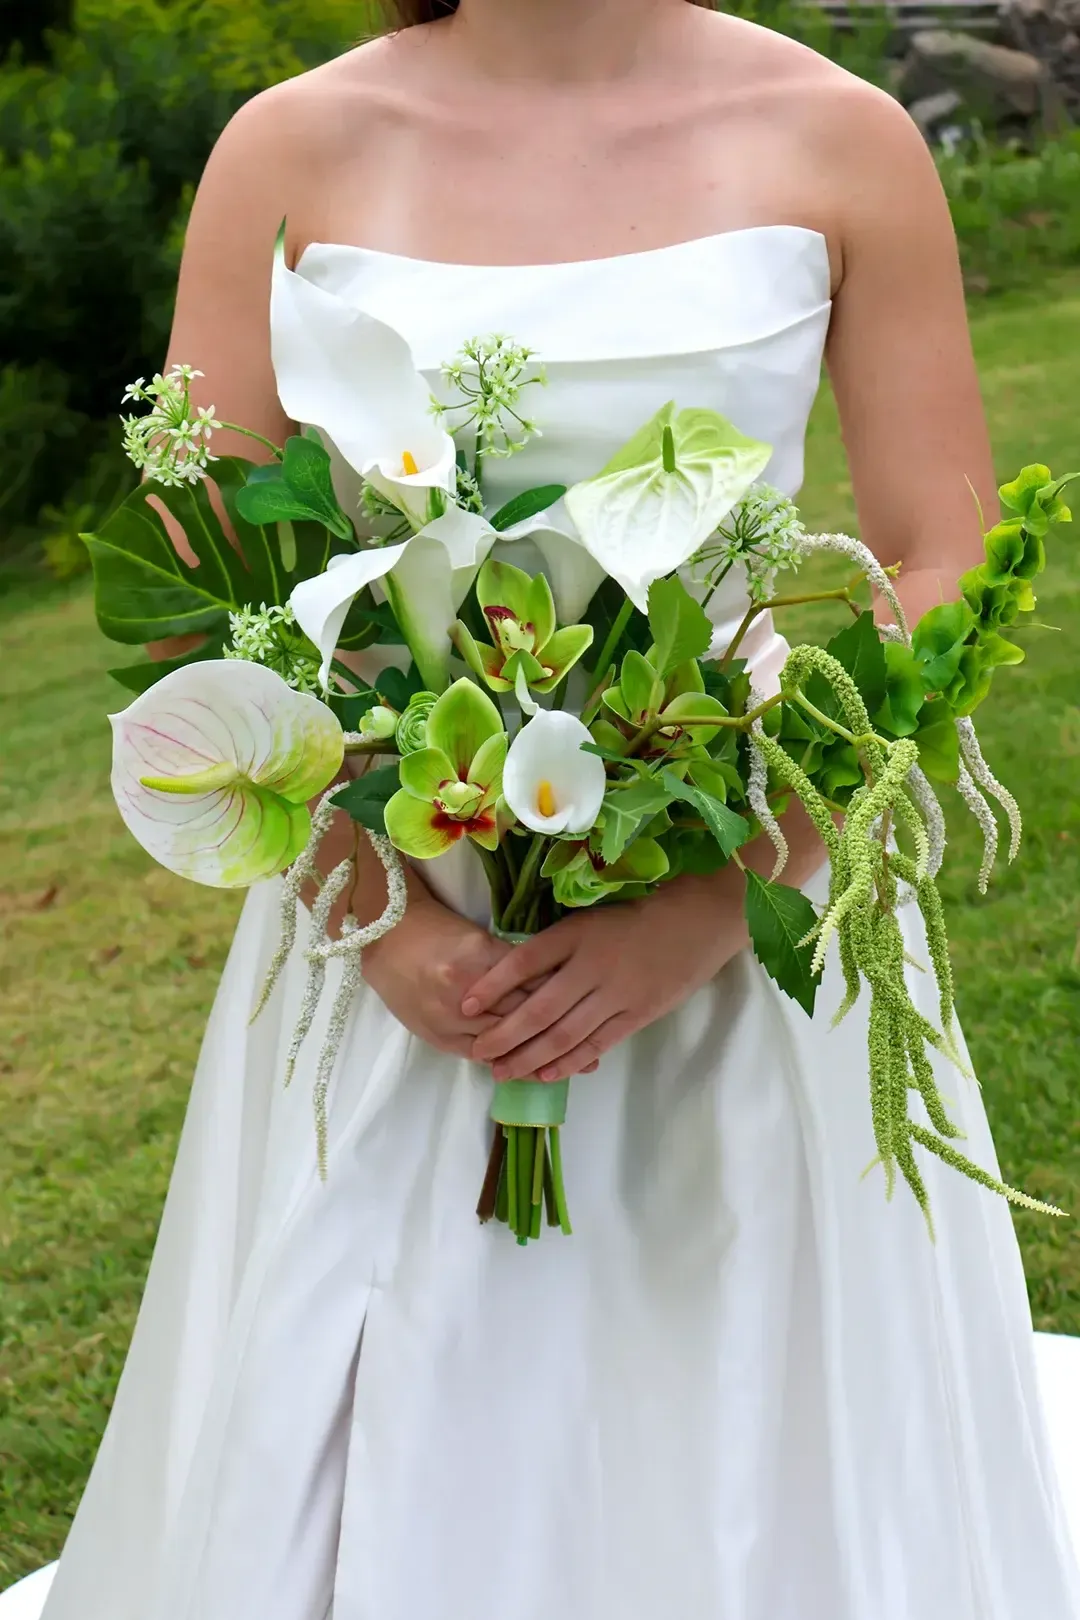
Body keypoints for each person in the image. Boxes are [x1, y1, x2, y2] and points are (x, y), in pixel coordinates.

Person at [28, 1, 1080, 1617]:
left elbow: (934, 565)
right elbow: (195, 596)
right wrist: (370, 907)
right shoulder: (287, 151)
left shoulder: (843, 138)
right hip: (396, 948)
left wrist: (725, 898)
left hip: (742, 929)